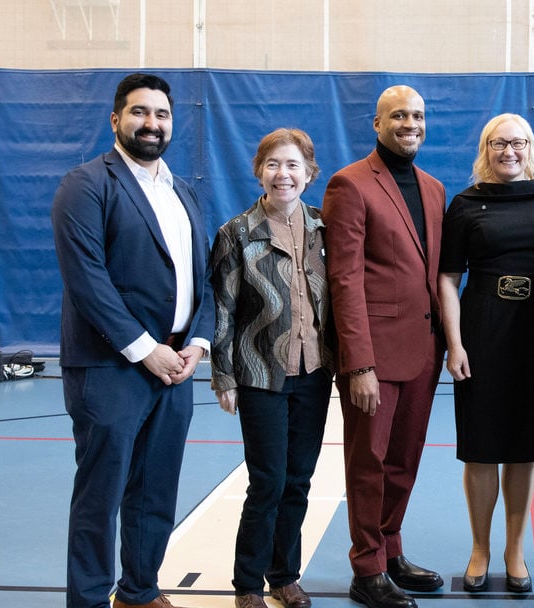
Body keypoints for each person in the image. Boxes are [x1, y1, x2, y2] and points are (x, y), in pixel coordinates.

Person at [51, 73, 213, 608]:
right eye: (140, 112)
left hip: (176, 364)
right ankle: (90, 601)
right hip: (111, 367)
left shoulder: (181, 190)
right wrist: (147, 349)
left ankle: (139, 591)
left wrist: (199, 343)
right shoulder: (86, 183)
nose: (152, 123)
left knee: (155, 492)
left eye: (162, 114)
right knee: (100, 497)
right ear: (116, 119)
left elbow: (203, 277)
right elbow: (87, 280)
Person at [438, 113, 534, 594]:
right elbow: (448, 279)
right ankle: (479, 548)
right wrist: (454, 343)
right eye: (499, 143)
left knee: (523, 449)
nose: (509, 151)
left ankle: (514, 550)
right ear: (485, 148)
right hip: (481, 331)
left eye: (518, 142)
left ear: (531, 146)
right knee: (480, 448)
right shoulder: (465, 204)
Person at [322, 85, 446, 608]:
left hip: (423, 349)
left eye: (417, 115)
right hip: (373, 354)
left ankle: (391, 550)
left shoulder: (434, 188)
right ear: (377, 124)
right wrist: (359, 364)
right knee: (368, 462)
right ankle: (366, 567)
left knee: (404, 460)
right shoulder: (349, 184)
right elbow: (344, 279)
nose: (409, 123)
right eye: (399, 115)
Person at [209, 128, 336, 608]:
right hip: (260, 373)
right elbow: (222, 308)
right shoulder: (237, 233)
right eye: (273, 165)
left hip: (315, 372)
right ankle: (247, 585)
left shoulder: (325, 226)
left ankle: (285, 576)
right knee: (267, 482)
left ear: (309, 174)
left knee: (300, 481)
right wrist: (223, 375)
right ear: (259, 171)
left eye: (293, 166)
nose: (283, 174)